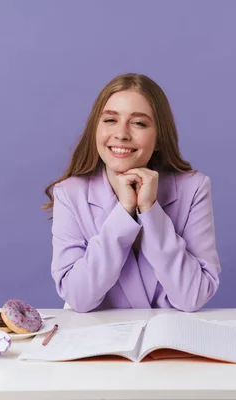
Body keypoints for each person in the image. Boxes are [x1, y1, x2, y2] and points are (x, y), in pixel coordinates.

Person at [42, 73, 221, 312]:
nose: (122, 134)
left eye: (138, 123)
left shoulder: (194, 188)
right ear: (96, 128)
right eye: (110, 120)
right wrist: (123, 215)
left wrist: (150, 211)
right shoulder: (69, 194)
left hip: (168, 341)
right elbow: (79, 298)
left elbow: (193, 297)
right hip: (99, 341)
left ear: (159, 137)